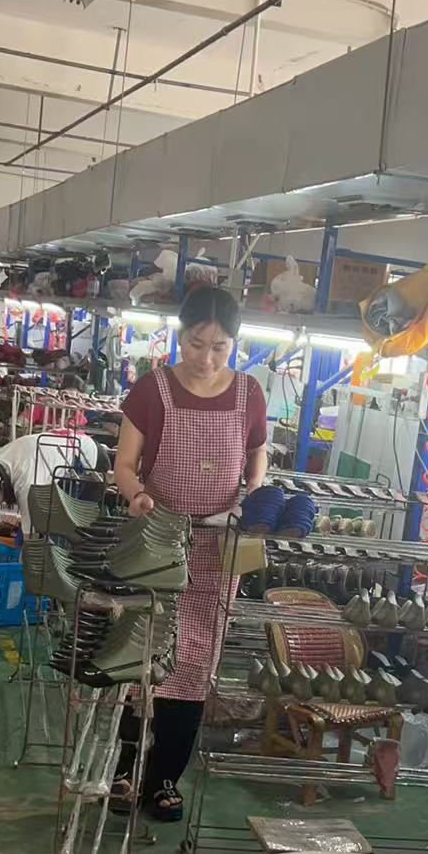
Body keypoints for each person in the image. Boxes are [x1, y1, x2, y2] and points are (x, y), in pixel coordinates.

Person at [113, 284, 268, 819]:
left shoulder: (249, 393)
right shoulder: (151, 389)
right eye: (197, 344)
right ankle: (123, 771)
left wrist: (252, 495)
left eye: (219, 347)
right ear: (180, 336)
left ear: (234, 344)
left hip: (218, 548)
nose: (206, 359)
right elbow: (124, 465)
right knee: (142, 656)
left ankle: (164, 778)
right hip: (156, 540)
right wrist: (137, 495)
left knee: (195, 664)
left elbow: (258, 455)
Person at [0, 429, 99, 551]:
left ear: (2, 486)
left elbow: (30, 542)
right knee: (24, 538)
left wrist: (21, 572)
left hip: (83, 459)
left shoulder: (27, 485)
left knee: (58, 537)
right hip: (51, 453)